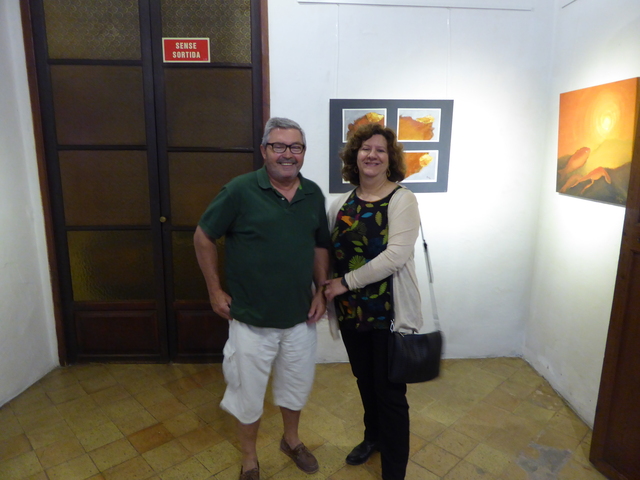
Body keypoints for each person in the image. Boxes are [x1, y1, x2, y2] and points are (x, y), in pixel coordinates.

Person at [194, 117, 331, 480]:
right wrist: (214, 290)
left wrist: (321, 290)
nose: (287, 154)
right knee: (248, 394)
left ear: (303, 152)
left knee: (295, 387)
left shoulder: (313, 194)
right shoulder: (239, 190)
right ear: (264, 151)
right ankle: (250, 458)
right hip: (250, 319)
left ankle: (291, 440)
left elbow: (320, 244)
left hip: (300, 318)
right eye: (278, 146)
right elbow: (203, 236)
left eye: (295, 147)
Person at [323, 123, 423, 480]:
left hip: (388, 315)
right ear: (355, 156)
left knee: (391, 393)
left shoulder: (402, 199)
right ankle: (373, 438)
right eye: (366, 148)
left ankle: (394, 471)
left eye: (380, 150)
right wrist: (322, 290)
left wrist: (344, 283)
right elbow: (330, 253)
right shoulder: (341, 203)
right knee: (365, 381)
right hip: (352, 313)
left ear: (390, 159)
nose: (372, 155)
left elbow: (395, 256)